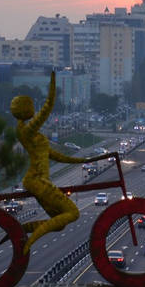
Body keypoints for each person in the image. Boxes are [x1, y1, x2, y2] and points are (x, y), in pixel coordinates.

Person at [11, 70, 111, 254]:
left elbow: (57, 156)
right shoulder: (26, 131)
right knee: (73, 213)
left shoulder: (32, 135)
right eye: (30, 105)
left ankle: (20, 230)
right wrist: (52, 83)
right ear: (24, 109)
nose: (34, 108)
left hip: (41, 181)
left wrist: (86, 159)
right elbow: (47, 107)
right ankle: (29, 242)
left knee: (59, 224)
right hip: (37, 181)